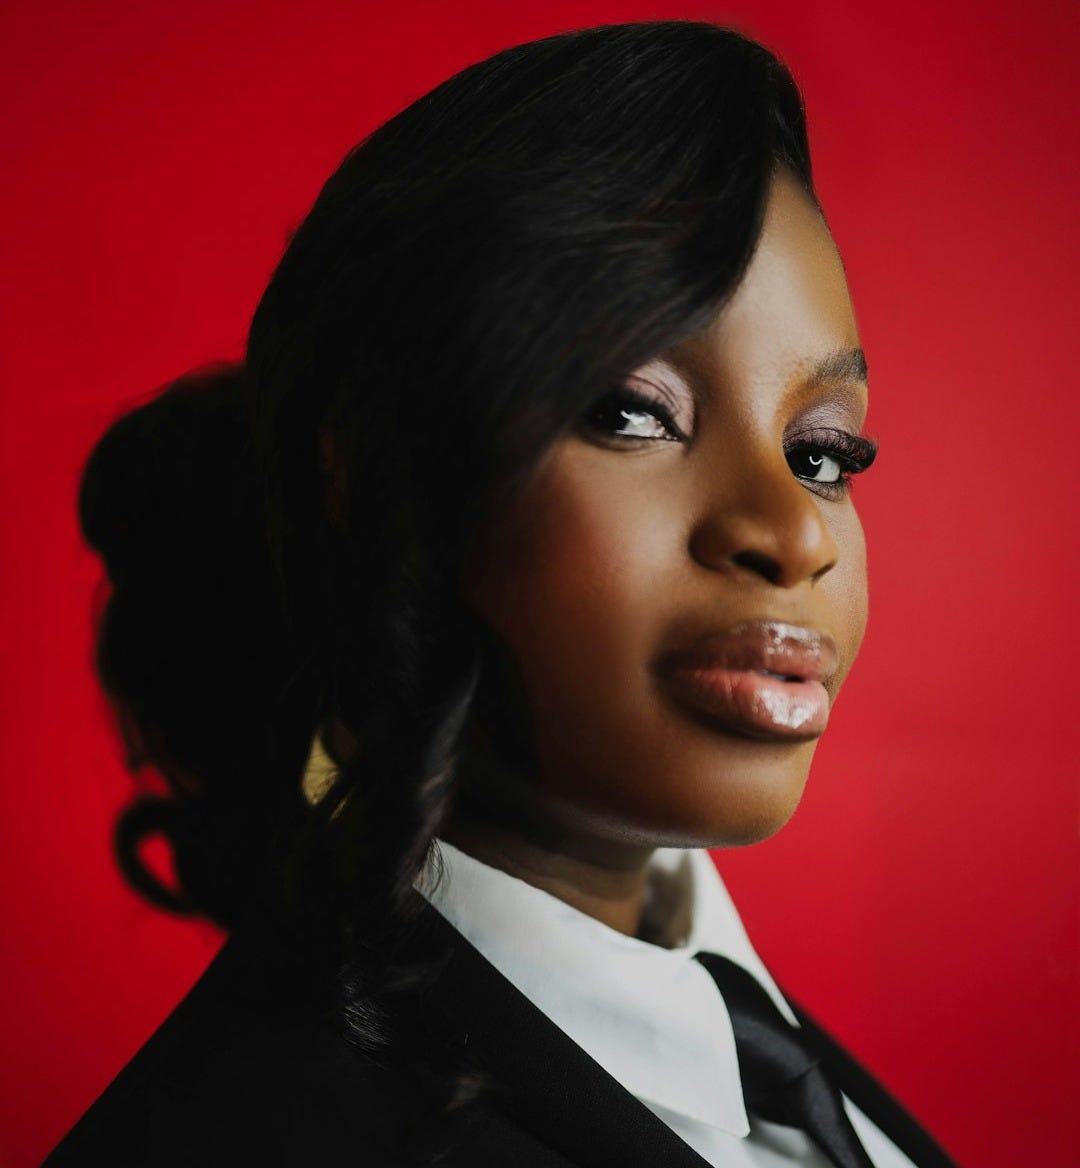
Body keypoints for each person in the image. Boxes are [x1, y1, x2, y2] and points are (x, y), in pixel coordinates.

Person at [43, 19, 959, 1168]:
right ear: (378, 479)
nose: (791, 533)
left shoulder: (757, 1047)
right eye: (632, 413)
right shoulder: (239, 1133)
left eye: (823, 453)